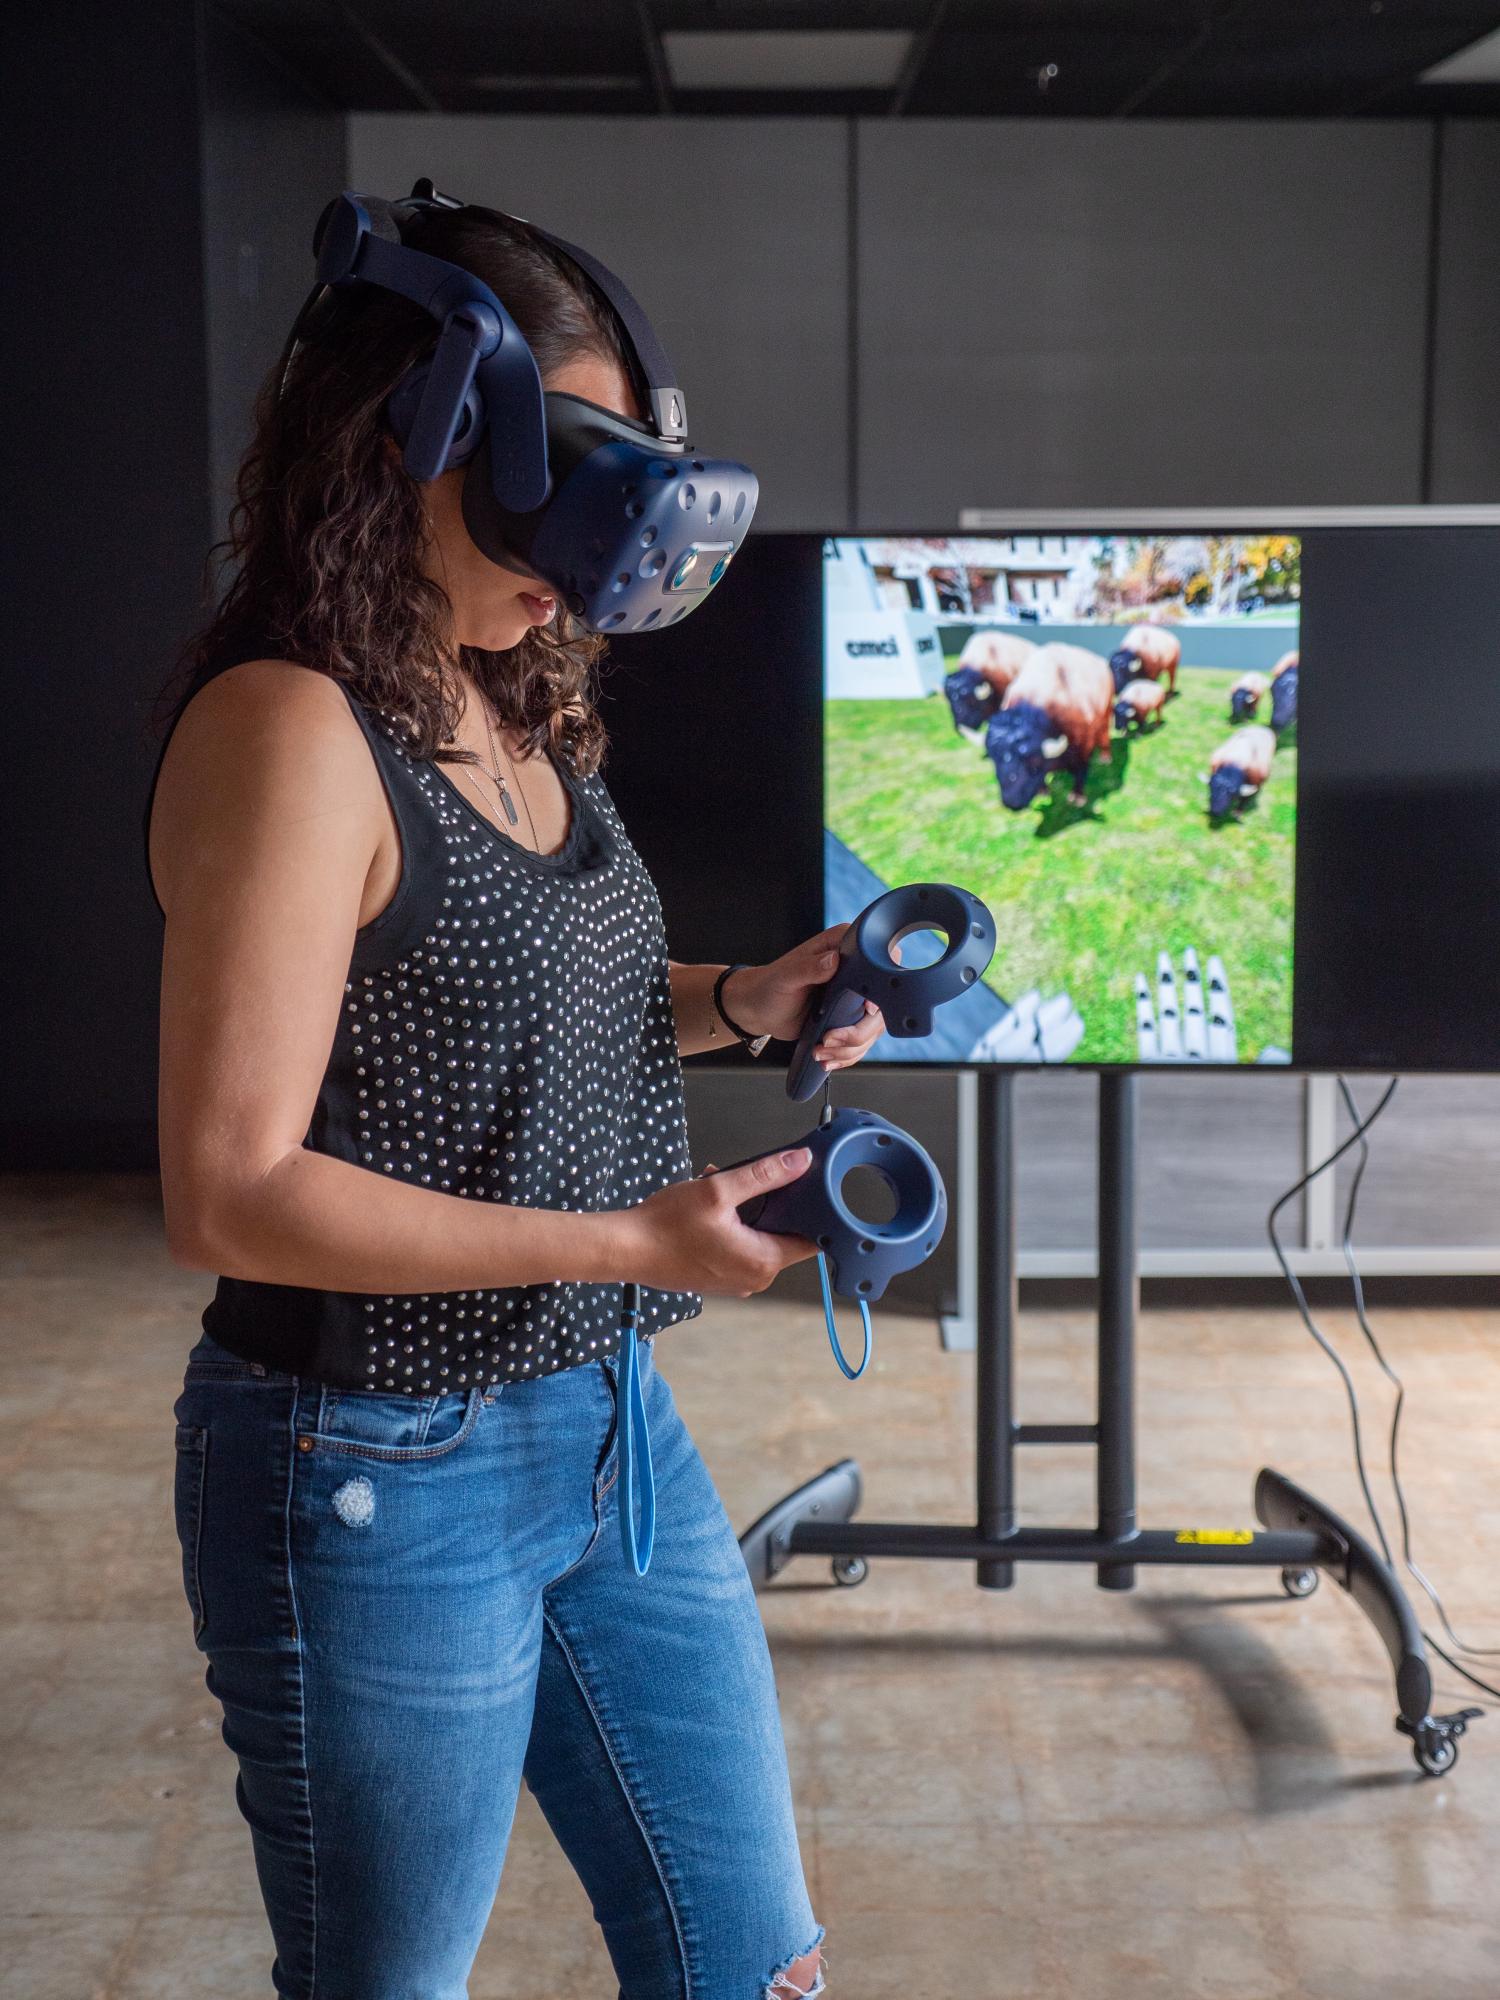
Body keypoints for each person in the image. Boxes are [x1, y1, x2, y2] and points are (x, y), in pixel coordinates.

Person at [145, 194, 888, 1999]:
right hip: (375, 1465)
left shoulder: (504, 690)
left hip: (610, 1424)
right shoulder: (288, 730)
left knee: (753, 1966)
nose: (593, 538)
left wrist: (742, 996)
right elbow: (230, 1189)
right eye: (566, 464)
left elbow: (520, 1009)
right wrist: (628, 1236)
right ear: (413, 431)